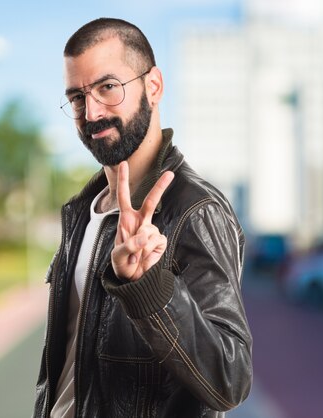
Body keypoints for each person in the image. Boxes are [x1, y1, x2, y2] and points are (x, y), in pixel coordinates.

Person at [33, 17, 252, 418]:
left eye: (107, 87)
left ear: (153, 86)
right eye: (77, 97)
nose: (92, 112)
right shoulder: (82, 211)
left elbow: (231, 380)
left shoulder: (196, 210)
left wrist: (151, 288)